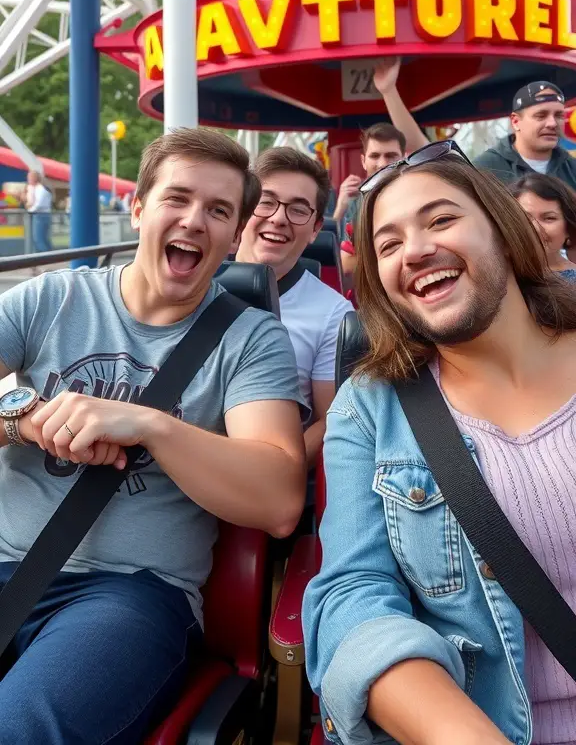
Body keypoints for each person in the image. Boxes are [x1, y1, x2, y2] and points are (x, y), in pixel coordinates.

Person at [0, 128, 306, 744]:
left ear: (237, 232)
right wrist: (24, 418)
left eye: (219, 210)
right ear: (138, 208)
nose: (195, 221)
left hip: (130, 596)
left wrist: (148, 424)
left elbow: (278, 500)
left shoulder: (252, 341)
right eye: (178, 199)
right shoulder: (50, 299)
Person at [303, 142, 576, 745]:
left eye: (441, 219)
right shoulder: (370, 408)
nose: (417, 249)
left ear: (504, 231)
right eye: (389, 244)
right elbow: (351, 596)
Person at [236, 147, 353, 466]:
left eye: (299, 210)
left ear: (316, 228)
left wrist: (268, 470)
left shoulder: (335, 314)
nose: (278, 218)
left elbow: (331, 418)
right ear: (244, 209)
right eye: (266, 202)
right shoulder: (193, 283)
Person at [333, 58, 428, 282]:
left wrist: (388, 91)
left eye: (391, 155)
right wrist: (340, 207)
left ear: (405, 157)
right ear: (363, 161)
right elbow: (345, 264)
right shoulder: (358, 203)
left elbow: (425, 150)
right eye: (375, 156)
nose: (382, 162)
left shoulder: (418, 188)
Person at [476, 81, 576, 189]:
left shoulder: (572, 168)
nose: (552, 123)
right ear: (515, 122)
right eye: (541, 115)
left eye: (559, 116)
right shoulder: (483, 171)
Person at [511, 172, 576, 282]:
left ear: (568, 229)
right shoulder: (495, 276)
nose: (536, 228)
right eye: (525, 218)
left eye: (549, 218)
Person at [26, 170, 52, 253]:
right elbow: (29, 202)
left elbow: (39, 204)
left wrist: (30, 210)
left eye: (30, 177)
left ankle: (47, 258)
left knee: (40, 239)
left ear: (35, 178)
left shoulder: (41, 189)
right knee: (39, 239)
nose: (28, 179)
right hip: (36, 215)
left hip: (41, 215)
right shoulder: (32, 189)